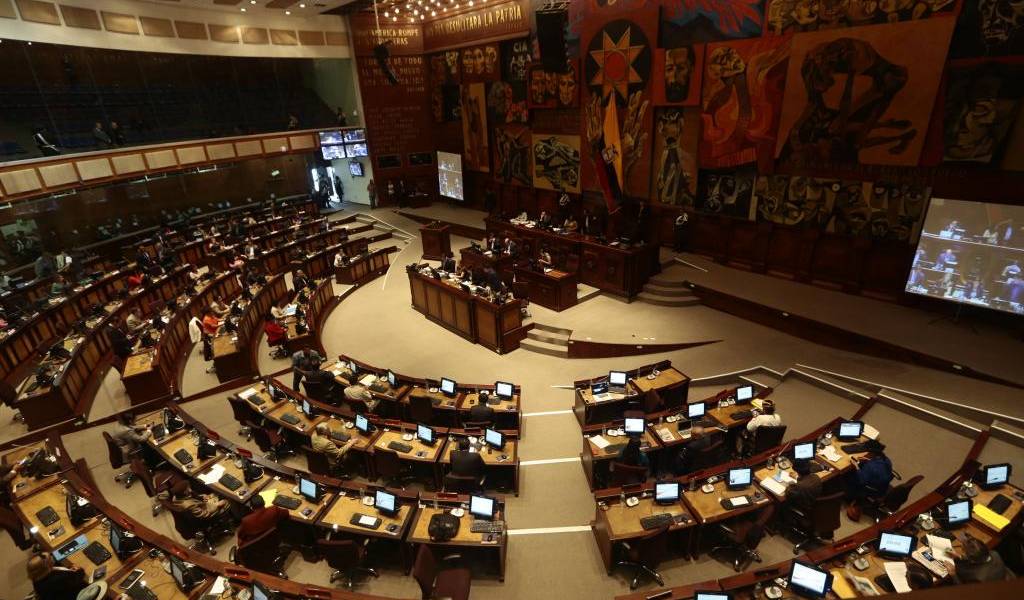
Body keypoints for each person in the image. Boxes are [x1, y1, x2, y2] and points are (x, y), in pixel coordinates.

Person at [844, 442, 894, 521]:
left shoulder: (871, 467)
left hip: (869, 488)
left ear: (872, 453)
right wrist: (868, 460)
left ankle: (847, 495)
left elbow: (861, 480)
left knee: (847, 473)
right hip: (882, 488)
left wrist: (856, 466)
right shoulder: (887, 460)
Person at [158, 480, 230, 520]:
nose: (190, 490)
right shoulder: (188, 505)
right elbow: (204, 515)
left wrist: (201, 497)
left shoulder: (176, 497)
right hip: (208, 513)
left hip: (203, 505)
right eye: (188, 489)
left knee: (218, 492)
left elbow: (191, 497)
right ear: (184, 492)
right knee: (229, 499)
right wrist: (217, 505)